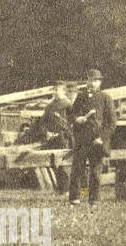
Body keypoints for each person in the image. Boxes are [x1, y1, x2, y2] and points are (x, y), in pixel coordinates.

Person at [69, 68, 117, 205]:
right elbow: (71, 114)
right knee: (77, 169)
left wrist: (101, 137)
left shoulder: (105, 98)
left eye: (96, 80)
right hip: (81, 140)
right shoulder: (81, 97)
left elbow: (112, 123)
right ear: (87, 81)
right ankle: (74, 199)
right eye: (90, 80)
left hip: (96, 140)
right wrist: (76, 119)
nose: (93, 83)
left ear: (100, 82)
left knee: (95, 172)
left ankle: (94, 200)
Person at [38, 81, 75, 149]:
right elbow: (42, 122)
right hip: (50, 139)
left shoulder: (68, 104)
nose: (54, 92)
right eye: (53, 90)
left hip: (64, 139)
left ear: (63, 91)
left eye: (56, 90)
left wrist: (67, 134)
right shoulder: (49, 106)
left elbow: (73, 121)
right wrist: (46, 133)